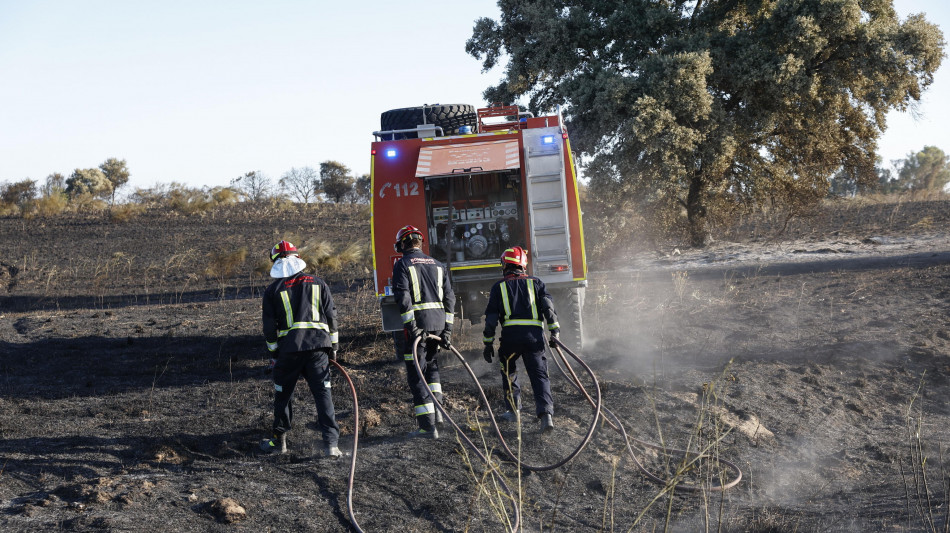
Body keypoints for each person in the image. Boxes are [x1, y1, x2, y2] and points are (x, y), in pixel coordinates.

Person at [260, 240, 342, 457]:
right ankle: (331, 445)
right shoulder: (319, 283)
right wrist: (333, 346)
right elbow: (332, 316)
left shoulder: (273, 290)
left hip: (289, 351)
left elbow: (269, 328)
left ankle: (279, 442)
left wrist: (273, 353)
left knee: (283, 395)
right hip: (318, 349)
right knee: (323, 394)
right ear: (298, 258)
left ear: (276, 262)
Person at [482, 246, 560, 433]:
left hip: (510, 338)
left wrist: (488, 343)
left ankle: (513, 410)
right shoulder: (537, 283)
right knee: (539, 375)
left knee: (509, 372)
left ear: (505, 265)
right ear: (523, 265)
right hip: (534, 337)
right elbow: (548, 309)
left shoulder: (498, 286)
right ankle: (546, 415)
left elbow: (491, 318)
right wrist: (554, 332)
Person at [391, 225, 456, 439]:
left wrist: (412, 327)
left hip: (418, 327)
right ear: (420, 242)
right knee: (432, 366)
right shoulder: (437, 265)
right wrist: (447, 330)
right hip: (437, 325)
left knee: (417, 373)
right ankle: (437, 413)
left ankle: (427, 427)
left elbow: (403, 299)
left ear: (403, 244)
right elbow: (450, 299)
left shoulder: (402, 264)